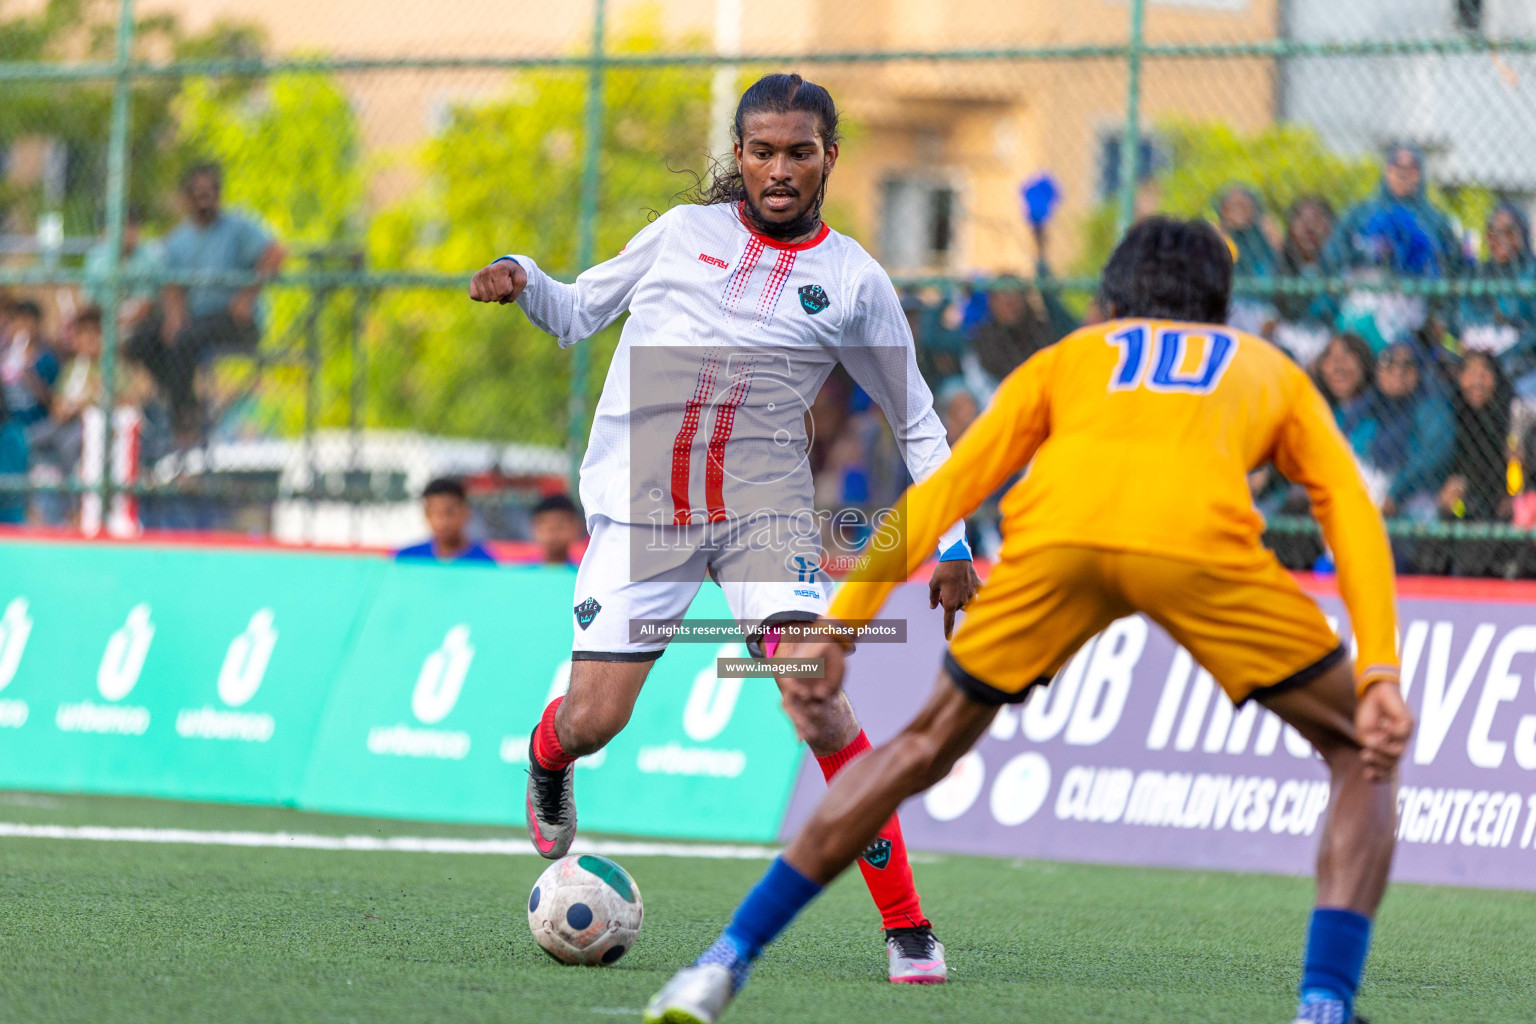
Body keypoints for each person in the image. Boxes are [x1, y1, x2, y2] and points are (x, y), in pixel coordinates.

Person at [645, 218, 1415, 1024]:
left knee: (916, 750)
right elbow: (1352, 515)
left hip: (1057, 544)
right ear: (1218, 305)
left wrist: (840, 628)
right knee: (1362, 749)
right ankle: (1324, 1006)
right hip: (1201, 547)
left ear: (1109, 300)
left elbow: (943, 494)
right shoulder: (1268, 369)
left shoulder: (1068, 359)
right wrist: (1381, 674)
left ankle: (722, 962)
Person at [468, 73, 979, 983]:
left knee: (815, 699)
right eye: (762, 151)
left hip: (764, 518)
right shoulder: (682, 233)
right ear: (737, 155)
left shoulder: (854, 279)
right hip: (643, 508)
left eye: (799, 151)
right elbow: (579, 309)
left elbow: (917, 421)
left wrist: (953, 544)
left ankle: (908, 926)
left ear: (830, 157)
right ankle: (549, 757)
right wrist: (522, 277)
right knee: (593, 722)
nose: (779, 170)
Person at [127, 163, 284, 442]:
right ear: (186, 198)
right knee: (142, 339)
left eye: (210, 192)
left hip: (233, 320)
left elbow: (276, 252)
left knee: (185, 340)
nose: (204, 199)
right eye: (197, 193)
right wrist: (174, 315)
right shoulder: (179, 239)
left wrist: (247, 297)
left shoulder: (239, 227)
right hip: (195, 320)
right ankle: (188, 404)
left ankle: (184, 423)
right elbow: (171, 282)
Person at [1325, 145, 1463, 352]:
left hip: (1415, 307)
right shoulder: (1359, 213)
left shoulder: (1436, 221)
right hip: (1362, 303)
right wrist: (1369, 253)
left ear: (1421, 174)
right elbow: (1334, 255)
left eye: (1411, 168)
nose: (1403, 174)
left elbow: (1453, 268)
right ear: (1386, 171)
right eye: (1396, 167)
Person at [1362, 343, 1455, 522]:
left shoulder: (1431, 405)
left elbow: (1431, 458)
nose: (1398, 371)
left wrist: (1395, 493)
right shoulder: (1364, 409)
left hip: (1417, 499)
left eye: (1407, 364)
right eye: (1388, 362)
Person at [1457, 202, 1536, 391]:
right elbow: (1462, 317)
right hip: (1478, 361)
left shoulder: (1531, 273)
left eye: (1509, 232)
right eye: (1493, 232)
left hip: (1523, 365)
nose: (1501, 239)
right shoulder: (1478, 273)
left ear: (1522, 234)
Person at [1273, 196, 1337, 363]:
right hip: (1288, 339)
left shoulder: (1341, 267)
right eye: (1301, 219)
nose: (1309, 227)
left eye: (1317, 219)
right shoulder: (1276, 265)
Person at [82, 205, 162, 334]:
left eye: (133, 225)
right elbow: (90, 302)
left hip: (135, 326)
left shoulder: (147, 258)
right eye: (124, 225)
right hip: (102, 321)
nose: (129, 231)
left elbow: (145, 305)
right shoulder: (96, 258)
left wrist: (119, 327)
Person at [1215, 184, 1279, 338]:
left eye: (1244, 204)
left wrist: (1268, 226)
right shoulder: (1219, 235)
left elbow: (1282, 256)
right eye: (1232, 205)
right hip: (1229, 303)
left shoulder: (1262, 236)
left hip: (1260, 304)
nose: (1238, 209)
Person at [394, 477, 497, 565]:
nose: (442, 522)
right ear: (426, 515)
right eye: (434, 513)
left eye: (449, 513)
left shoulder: (483, 563)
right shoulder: (407, 559)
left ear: (466, 513)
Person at [529, 493, 585, 565]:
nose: (554, 534)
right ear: (534, 528)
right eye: (548, 528)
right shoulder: (522, 572)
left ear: (576, 527)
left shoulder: (585, 571)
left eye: (560, 526)